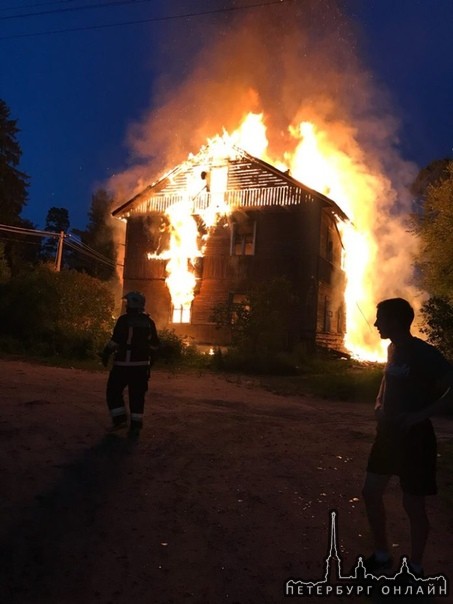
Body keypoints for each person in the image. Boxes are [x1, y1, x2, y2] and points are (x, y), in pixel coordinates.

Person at [362, 297, 453, 577]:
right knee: (370, 492)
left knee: (412, 503)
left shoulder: (424, 353)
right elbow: (386, 381)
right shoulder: (393, 349)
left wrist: (420, 415)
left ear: (396, 321)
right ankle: (382, 554)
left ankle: (414, 567)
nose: (376, 323)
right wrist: (379, 403)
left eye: (381, 318)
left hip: (415, 439)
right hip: (388, 436)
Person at [101, 291, 160, 438]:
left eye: (127, 303)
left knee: (113, 391)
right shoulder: (149, 322)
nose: (126, 306)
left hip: (123, 365)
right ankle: (135, 427)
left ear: (133, 304)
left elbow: (115, 341)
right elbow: (155, 344)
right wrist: (150, 361)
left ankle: (120, 420)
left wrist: (105, 353)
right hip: (141, 367)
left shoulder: (124, 320)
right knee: (137, 396)